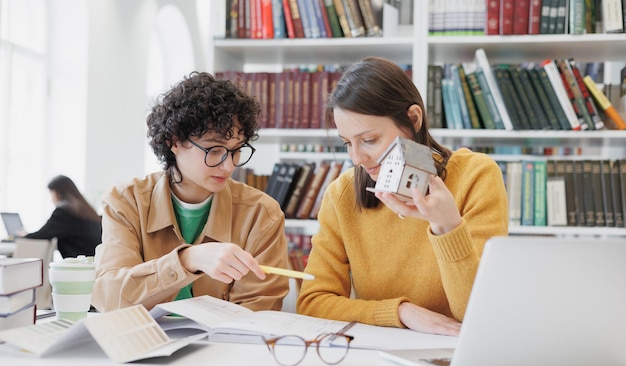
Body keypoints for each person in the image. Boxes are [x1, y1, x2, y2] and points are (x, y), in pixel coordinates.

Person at [296, 57, 509, 336]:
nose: (357, 158)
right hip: (376, 358)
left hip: (455, 353)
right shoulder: (342, 194)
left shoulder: (475, 176)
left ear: (413, 119)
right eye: (347, 143)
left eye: (369, 140)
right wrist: (400, 312)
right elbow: (313, 303)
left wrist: (447, 227)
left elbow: (476, 314)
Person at [92, 71, 290, 313]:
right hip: (141, 345)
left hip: (223, 349)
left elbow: (257, 316)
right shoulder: (127, 202)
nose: (229, 166)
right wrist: (187, 260)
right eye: (214, 150)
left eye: (236, 150)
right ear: (174, 142)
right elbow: (110, 298)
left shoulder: (261, 214)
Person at [21, 175, 102, 258]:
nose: (51, 199)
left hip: (79, 265)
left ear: (57, 193)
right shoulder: (86, 210)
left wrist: (24, 236)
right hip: (94, 262)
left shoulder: (64, 212)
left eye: (51, 193)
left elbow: (42, 234)